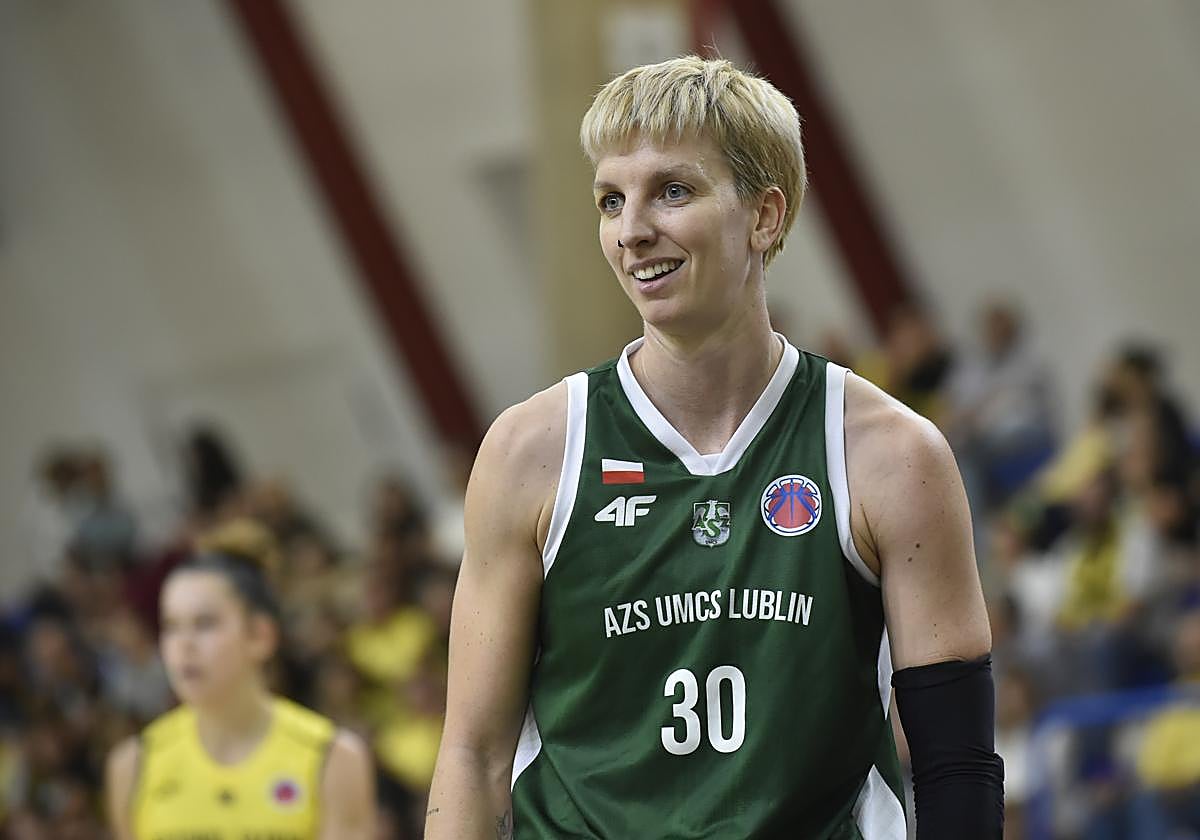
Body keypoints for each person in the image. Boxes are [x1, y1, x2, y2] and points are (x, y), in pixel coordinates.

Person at [426, 56, 1002, 839]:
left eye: (673, 190)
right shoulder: (531, 451)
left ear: (765, 216)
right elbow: (473, 755)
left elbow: (956, 764)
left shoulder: (892, 455)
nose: (632, 231)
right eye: (609, 200)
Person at [104, 520, 375, 839]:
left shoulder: (333, 757)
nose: (184, 644)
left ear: (260, 635)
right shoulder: (133, 764)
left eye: (204, 623)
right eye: (172, 626)